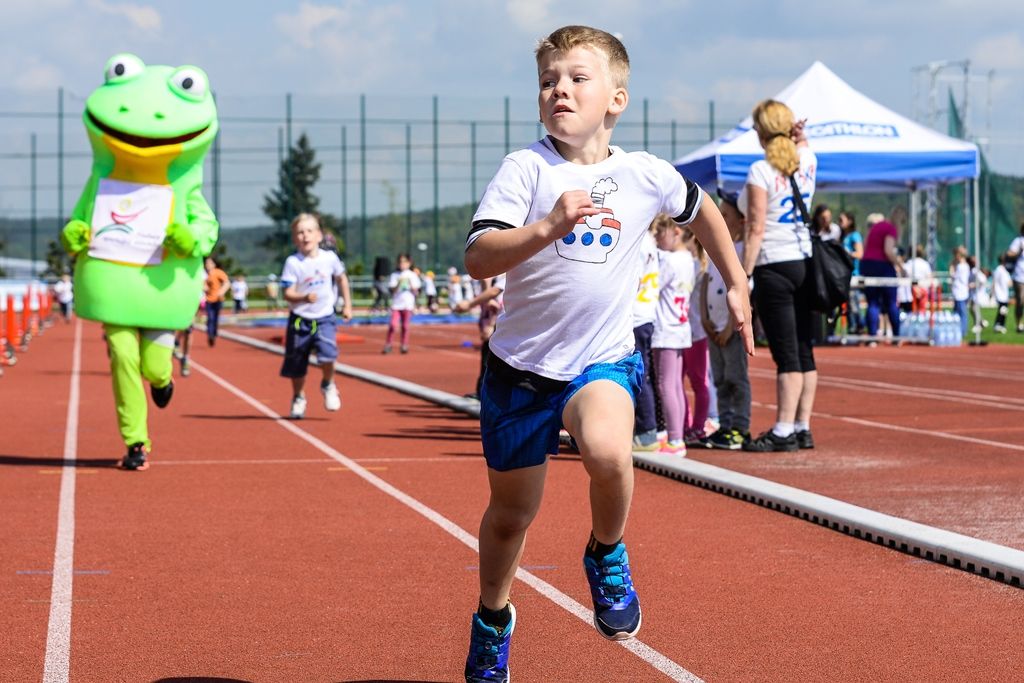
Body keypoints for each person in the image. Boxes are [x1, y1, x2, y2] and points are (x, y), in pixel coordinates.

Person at [460, 25, 752, 683]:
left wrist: (732, 281)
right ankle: (492, 620)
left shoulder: (643, 173)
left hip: (602, 359)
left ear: (616, 98)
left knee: (611, 451)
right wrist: (545, 228)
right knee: (511, 518)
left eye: (576, 77)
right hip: (519, 371)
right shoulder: (526, 169)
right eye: (547, 80)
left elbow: (701, 210)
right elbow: (478, 257)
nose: (558, 88)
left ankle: (606, 549)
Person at [739, 99, 819, 452]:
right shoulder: (808, 162)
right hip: (804, 261)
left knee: (785, 352)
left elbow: (755, 227)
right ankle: (802, 424)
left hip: (773, 262)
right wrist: (800, 136)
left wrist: (745, 274)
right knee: (804, 350)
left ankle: (784, 428)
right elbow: (804, 146)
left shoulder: (760, 170)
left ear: (762, 132)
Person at [279, 213, 353, 419]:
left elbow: (342, 279)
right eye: (300, 232)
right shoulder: (293, 263)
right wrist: (303, 297)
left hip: (324, 317)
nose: (305, 236)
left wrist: (347, 305)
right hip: (300, 319)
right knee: (297, 365)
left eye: (310, 231)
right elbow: (288, 293)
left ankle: (328, 383)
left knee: (328, 354)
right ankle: (298, 397)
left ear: (319, 235)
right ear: (295, 238)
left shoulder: (329, 258)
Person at [702, 191, 751, 449]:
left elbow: (742, 290)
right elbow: (705, 282)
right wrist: (705, 318)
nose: (719, 219)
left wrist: (733, 326)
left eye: (725, 215)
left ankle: (740, 427)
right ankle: (725, 424)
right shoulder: (715, 248)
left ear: (741, 221)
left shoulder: (742, 251)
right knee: (720, 379)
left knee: (736, 378)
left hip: (732, 328)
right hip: (714, 325)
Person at [651, 214, 696, 455]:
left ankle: (676, 439)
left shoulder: (670, 261)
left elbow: (653, 284)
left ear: (676, 232)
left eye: (661, 233)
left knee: (665, 384)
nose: (657, 238)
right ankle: (675, 435)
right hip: (679, 326)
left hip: (667, 327)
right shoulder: (688, 258)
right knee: (674, 383)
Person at [630, 219, 660, 451]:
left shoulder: (640, 240)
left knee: (636, 374)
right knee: (639, 373)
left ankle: (646, 430)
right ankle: (643, 428)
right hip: (643, 315)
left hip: (636, 316)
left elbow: (634, 280)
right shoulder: (648, 239)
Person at [455, 274, 506, 398]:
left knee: (493, 360)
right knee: (488, 357)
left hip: (501, 322)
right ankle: (482, 392)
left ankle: (487, 393)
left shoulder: (510, 274)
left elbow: (494, 290)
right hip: (495, 318)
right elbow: (487, 281)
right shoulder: (498, 276)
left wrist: (469, 304)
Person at [683, 231, 711, 446]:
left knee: (699, 382)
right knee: (675, 383)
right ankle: (685, 424)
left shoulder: (700, 267)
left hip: (696, 333)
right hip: (680, 332)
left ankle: (699, 426)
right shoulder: (685, 263)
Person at [860, 212, 903, 341]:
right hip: (882, 266)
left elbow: (865, 246)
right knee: (891, 302)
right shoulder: (891, 228)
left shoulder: (875, 227)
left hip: (867, 264)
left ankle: (872, 337)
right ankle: (896, 336)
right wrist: (900, 266)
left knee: (872, 303)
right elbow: (888, 251)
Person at [382, 253, 421, 354]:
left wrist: (411, 285)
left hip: (408, 305)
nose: (402, 264)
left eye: (404, 262)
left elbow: (416, 291)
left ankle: (404, 345)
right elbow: (393, 290)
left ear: (409, 263)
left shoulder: (412, 275)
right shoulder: (394, 275)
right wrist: (399, 283)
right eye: (400, 262)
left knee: (405, 326)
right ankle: (388, 344)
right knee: (393, 325)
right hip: (397, 305)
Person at [839, 211, 864, 334]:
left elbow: (860, 253)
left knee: (854, 303)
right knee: (847, 304)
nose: (839, 223)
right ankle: (852, 328)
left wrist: (846, 254)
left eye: (841, 220)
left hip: (853, 274)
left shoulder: (855, 236)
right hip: (842, 275)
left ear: (849, 221)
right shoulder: (842, 236)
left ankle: (859, 326)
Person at [203, 256, 229, 346]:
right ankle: (210, 335)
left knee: (215, 318)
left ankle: (214, 333)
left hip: (218, 299)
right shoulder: (204, 274)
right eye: (206, 263)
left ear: (214, 264)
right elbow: (204, 287)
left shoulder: (218, 272)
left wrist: (221, 292)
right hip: (208, 300)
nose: (207, 265)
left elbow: (227, 283)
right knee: (210, 318)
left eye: (209, 263)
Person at [900, 245, 933, 315]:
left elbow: (904, 275)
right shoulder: (925, 264)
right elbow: (929, 278)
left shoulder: (908, 264)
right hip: (921, 291)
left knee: (911, 313)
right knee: (921, 313)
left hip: (911, 293)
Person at [1006, 222, 1024, 333]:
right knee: (1021, 300)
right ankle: (1019, 323)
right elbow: (1009, 253)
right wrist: (1019, 252)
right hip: (1020, 276)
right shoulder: (1019, 241)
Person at [950, 245, 970, 341]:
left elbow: (953, 276)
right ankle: (957, 330)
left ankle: (962, 331)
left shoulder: (961, 266)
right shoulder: (963, 265)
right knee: (957, 312)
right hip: (960, 292)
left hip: (960, 292)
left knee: (961, 313)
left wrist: (951, 267)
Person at [993, 252, 1013, 334]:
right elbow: (1009, 283)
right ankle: (999, 324)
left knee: (1003, 310)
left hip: (1002, 293)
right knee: (1002, 310)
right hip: (1001, 294)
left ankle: (1000, 324)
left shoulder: (1000, 270)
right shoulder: (1001, 270)